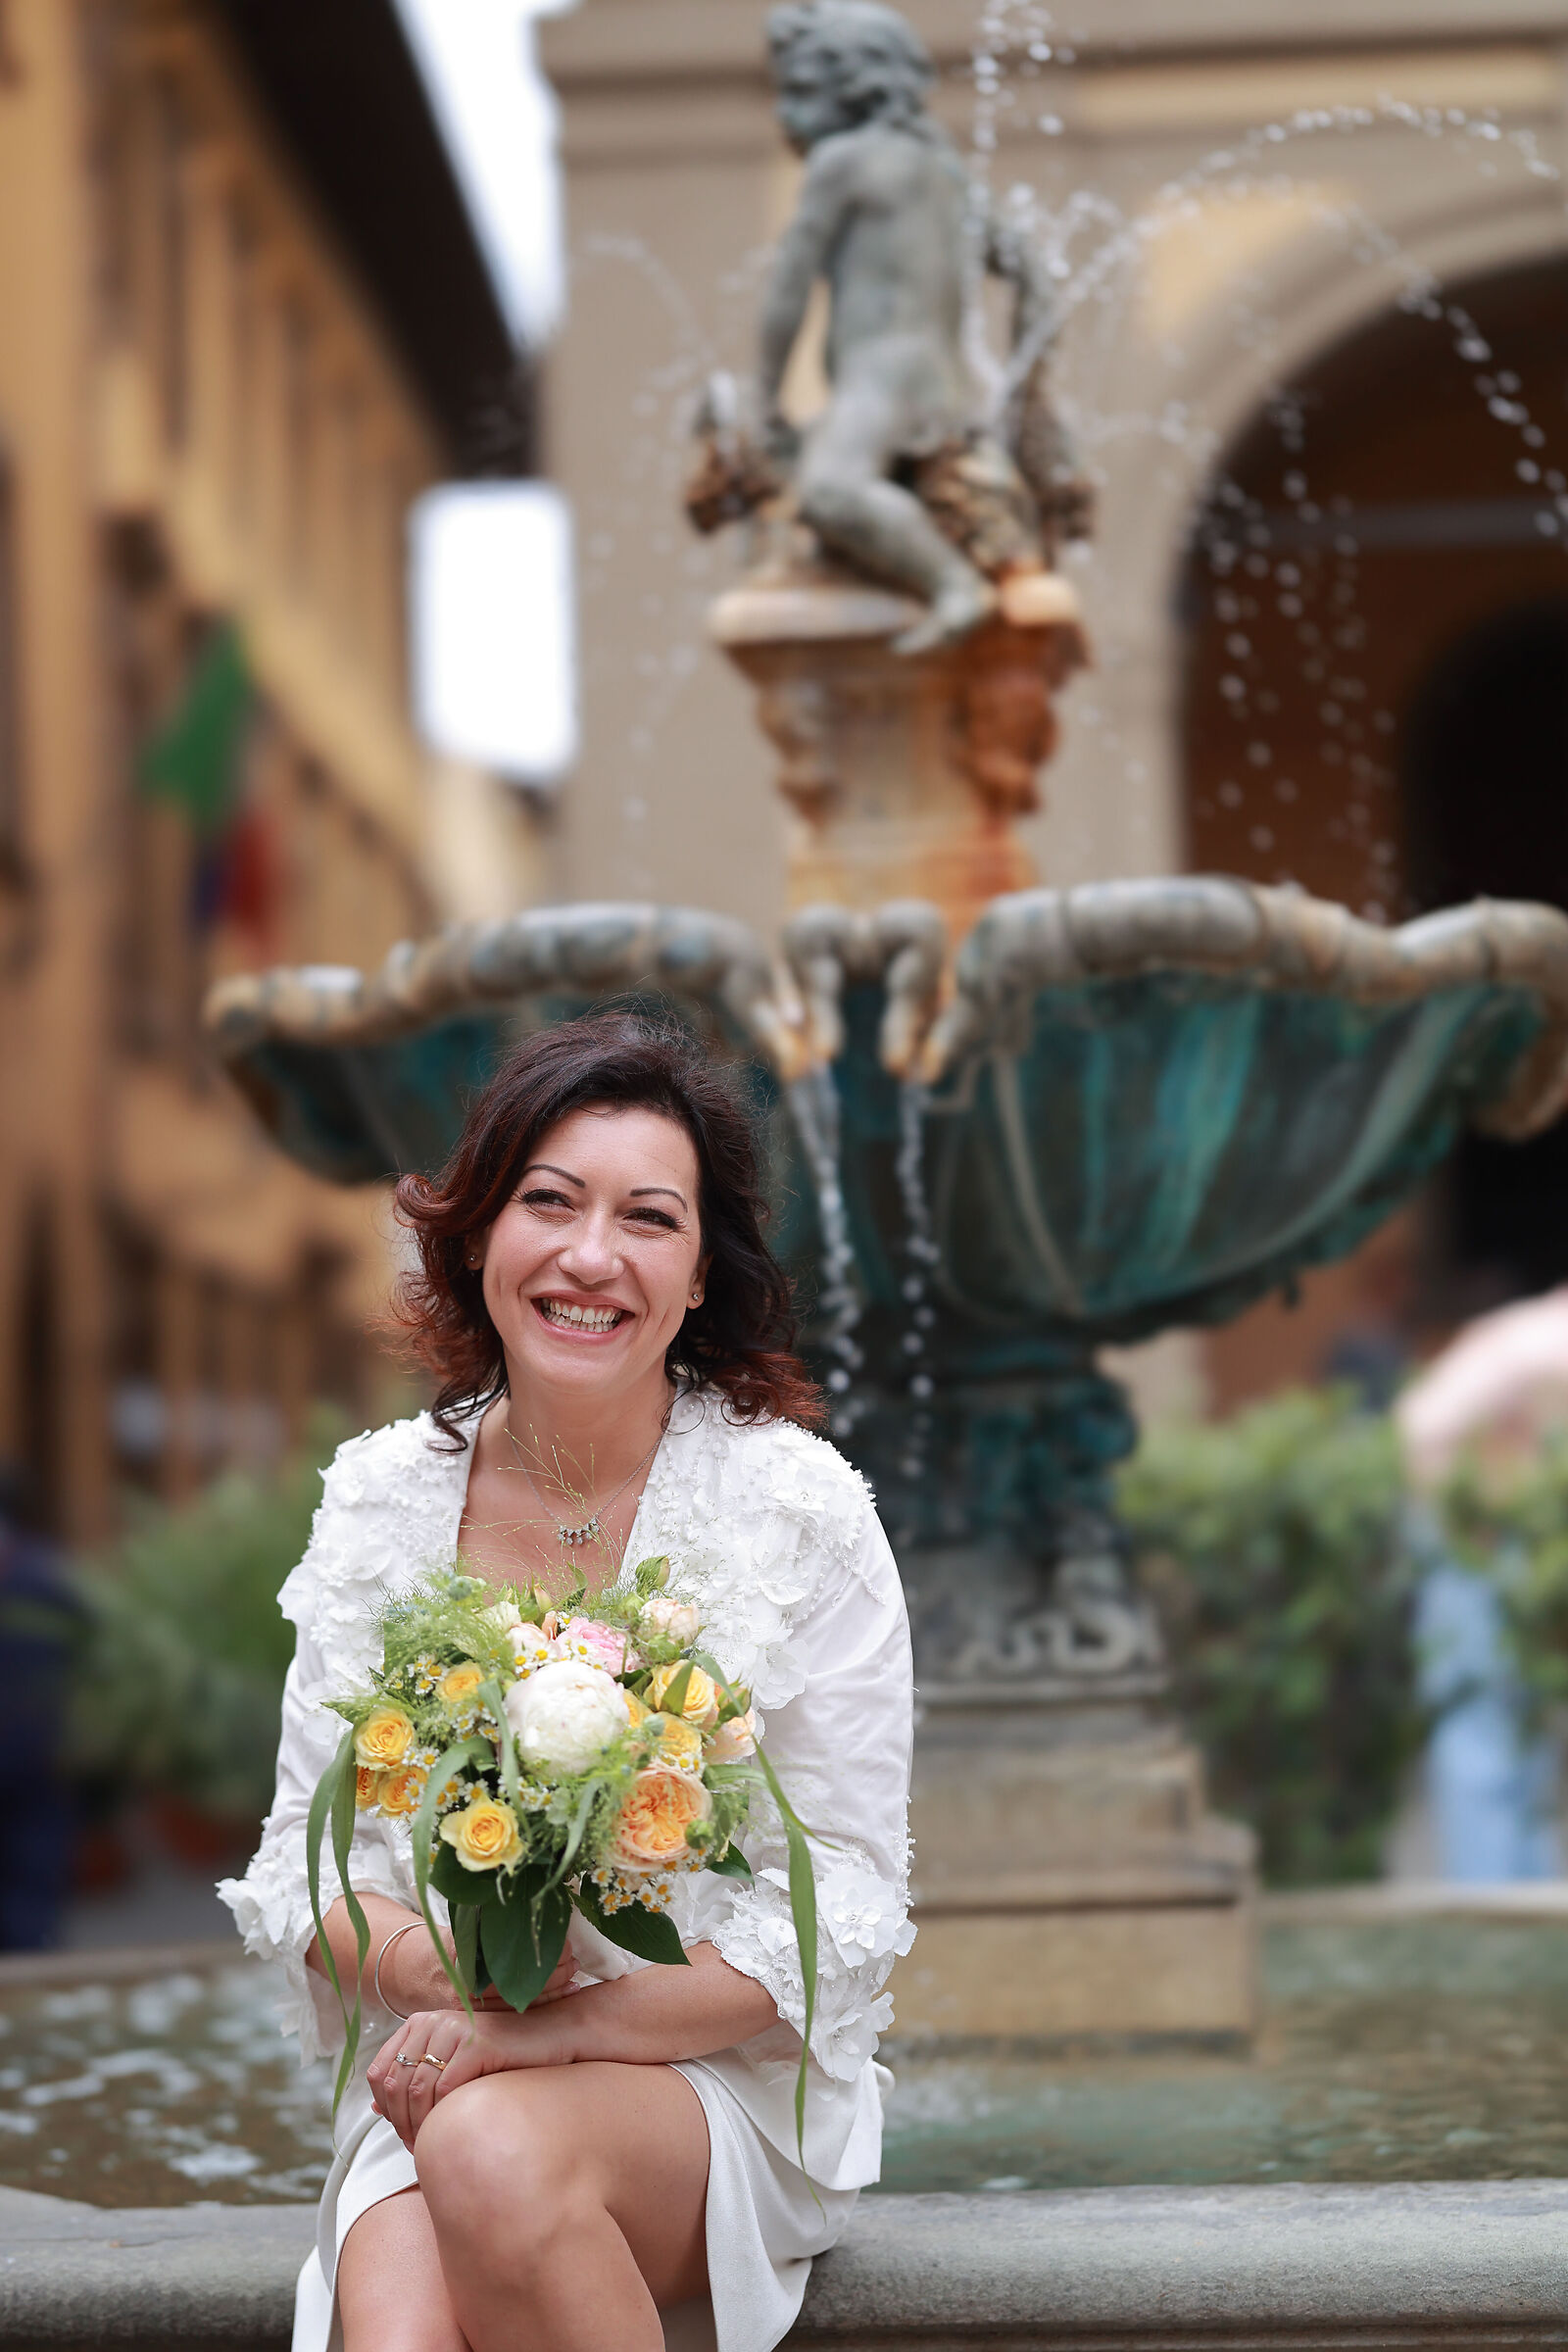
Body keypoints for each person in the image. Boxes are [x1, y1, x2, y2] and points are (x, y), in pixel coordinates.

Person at [220, 1012, 914, 2352]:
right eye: (549, 1202)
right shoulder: (378, 1501)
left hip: (712, 2084)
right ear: (478, 1233)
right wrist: (466, 1999)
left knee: (488, 2145)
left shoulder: (799, 1510)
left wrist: (539, 2040)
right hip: (441, 2058)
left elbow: (843, 1905)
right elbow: (311, 1875)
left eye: (649, 1219)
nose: (591, 1257)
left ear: (703, 1274)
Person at [760, 0, 1074, 653]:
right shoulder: (945, 174)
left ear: (853, 87)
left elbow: (789, 286)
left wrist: (763, 398)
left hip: (881, 381)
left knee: (829, 492)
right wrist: (1024, 389)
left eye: (798, 90)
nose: (783, 113)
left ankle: (952, 585)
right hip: (945, 391)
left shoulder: (841, 162)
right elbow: (1036, 283)